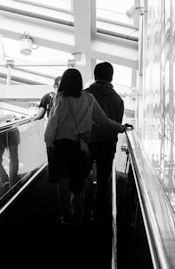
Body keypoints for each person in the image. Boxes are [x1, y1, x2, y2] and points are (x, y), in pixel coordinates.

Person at [43, 67, 129, 225]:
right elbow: (103, 120)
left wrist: (49, 143)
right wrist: (120, 127)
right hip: (80, 146)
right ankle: (78, 213)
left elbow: (52, 124)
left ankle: (66, 214)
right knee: (78, 183)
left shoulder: (60, 99)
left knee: (63, 181)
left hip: (62, 145)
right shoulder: (88, 99)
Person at [86, 62, 126, 221]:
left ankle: (77, 209)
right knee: (103, 179)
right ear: (111, 76)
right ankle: (98, 212)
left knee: (80, 176)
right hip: (108, 143)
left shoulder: (85, 95)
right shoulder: (118, 100)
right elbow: (116, 122)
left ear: (95, 76)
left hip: (86, 141)